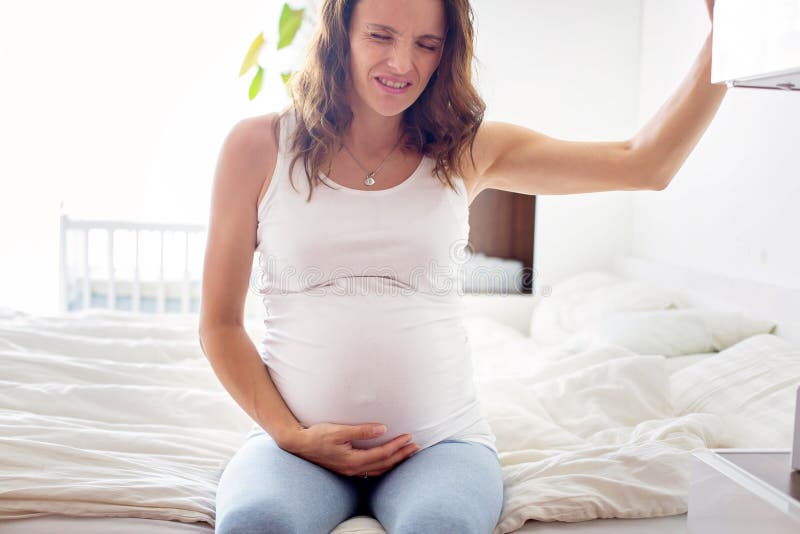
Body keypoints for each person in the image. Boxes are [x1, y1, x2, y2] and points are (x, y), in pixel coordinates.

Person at [198, 0, 726, 532]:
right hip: (297, 447)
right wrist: (290, 435)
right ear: (339, 35)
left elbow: (646, 163)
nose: (402, 64)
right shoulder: (260, 147)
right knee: (253, 524)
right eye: (381, 36)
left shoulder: (467, 150)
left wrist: (725, 38)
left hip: (439, 443)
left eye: (426, 45)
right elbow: (219, 324)